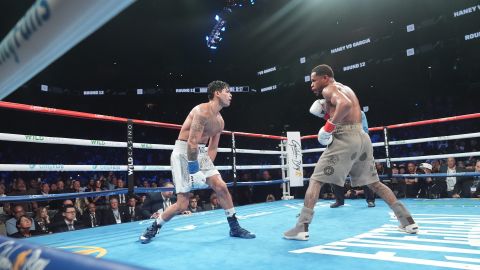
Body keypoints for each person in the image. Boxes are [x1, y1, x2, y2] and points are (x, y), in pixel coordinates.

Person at [284, 64, 418, 241]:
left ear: (325, 77)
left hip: (345, 137)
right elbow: (350, 110)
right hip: (362, 137)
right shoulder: (346, 88)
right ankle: (407, 221)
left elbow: (344, 105)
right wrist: (327, 116)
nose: (311, 85)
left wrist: (328, 126)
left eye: (314, 80)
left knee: (315, 181)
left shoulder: (329, 89)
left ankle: (301, 227)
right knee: (374, 183)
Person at [140, 80, 255, 243]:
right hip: (183, 152)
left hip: (200, 153)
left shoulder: (220, 121)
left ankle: (234, 227)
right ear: (217, 93)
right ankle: (154, 227)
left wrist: (207, 170)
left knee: (221, 186)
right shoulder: (201, 111)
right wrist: (195, 171)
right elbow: (191, 142)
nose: (231, 94)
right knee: (182, 205)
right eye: (227, 91)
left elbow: (212, 148)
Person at [329, 111, 375, 208]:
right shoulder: (336, 115)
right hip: (342, 148)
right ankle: (339, 200)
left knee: (364, 174)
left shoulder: (359, 113)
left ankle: (370, 200)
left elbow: (365, 130)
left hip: (358, 146)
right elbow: (332, 132)